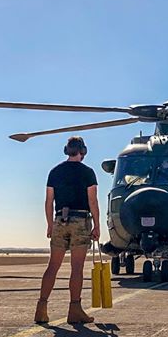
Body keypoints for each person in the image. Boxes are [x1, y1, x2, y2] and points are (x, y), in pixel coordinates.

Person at [35, 135, 101, 324]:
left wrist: (50, 224)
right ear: (83, 151)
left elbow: (49, 202)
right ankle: (74, 309)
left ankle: (41, 308)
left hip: (59, 221)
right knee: (77, 268)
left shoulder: (55, 172)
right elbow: (92, 201)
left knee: (53, 266)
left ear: (67, 151)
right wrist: (97, 225)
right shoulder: (88, 172)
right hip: (80, 220)